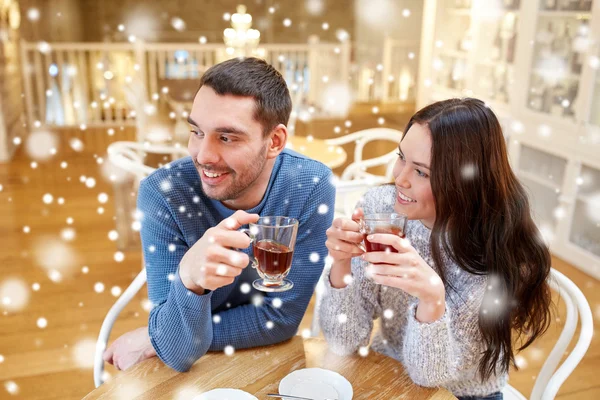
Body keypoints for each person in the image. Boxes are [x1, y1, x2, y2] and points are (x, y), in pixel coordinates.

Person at [103, 57, 335, 372]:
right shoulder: (163, 193)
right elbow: (177, 352)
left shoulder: (311, 185)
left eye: (227, 137)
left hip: (263, 360)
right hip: (192, 371)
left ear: (274, 141)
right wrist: (189, 281)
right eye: (197, 132)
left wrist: (156, 335)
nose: (204, 155)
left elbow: (279, 320)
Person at [319, 98, 552, 399]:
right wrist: (341, 265)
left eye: (422, 172)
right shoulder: (382, 209)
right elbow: (343, 340)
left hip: (461, 394)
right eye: (401, 157)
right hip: (388, 372)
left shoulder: (498, 255)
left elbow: (430, 377)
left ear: (464, 182)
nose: (399, 179)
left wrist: (432, 299)